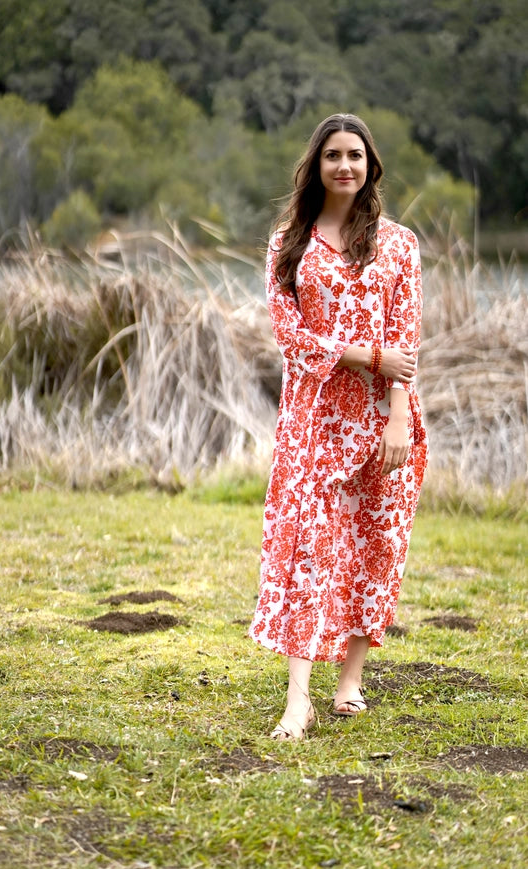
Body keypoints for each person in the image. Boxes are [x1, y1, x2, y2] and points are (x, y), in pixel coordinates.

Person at [248, 113, 428, 739]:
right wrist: (367, 356)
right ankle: (298, 698)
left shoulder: (399, 246)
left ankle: (350, 678)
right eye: (333, 155)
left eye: (355, 155)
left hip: (383, 417)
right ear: (316, 166)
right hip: (316, 417)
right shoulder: (287, 242)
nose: (345, 165)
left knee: (376, 541)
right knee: (308, 546)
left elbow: (406, 338)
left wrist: (400, 414)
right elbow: (291, 336)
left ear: (370, 165)